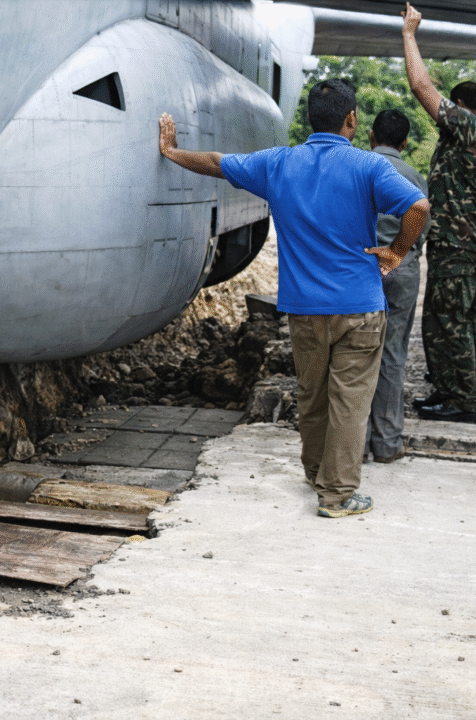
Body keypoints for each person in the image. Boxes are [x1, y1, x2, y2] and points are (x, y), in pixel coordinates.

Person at [158, 78, 429, 518]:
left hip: (304, 308)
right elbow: (418, 207)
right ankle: (337, 494)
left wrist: (172, 153)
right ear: (352, 120)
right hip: (359, 305)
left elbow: (214, 162)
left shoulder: (277, 164)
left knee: (313, 394)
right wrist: (397, 252)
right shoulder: (369, 167)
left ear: (309, 121)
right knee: (350, 401)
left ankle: (315, 471)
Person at [403, 2, 476, 424]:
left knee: (452, 324)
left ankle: (463, 403)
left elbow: (421, 88)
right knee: (470, 321)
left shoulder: (465, 126)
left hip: (459, 247)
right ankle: (459, 391)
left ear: (460, 110)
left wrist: (410, 35)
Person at [365, 109, 432, 463]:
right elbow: (424, 223)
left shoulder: (358, 165)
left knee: (356, 356)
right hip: (402, 267)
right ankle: (388, 443)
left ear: (371, 136)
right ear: (405, 142)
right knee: (393, 355)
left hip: (363, 268)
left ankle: (355, 445)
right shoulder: (414, 176)